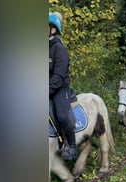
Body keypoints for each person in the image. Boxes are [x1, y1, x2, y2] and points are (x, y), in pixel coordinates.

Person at [49, 12, 76, 160]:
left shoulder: (59, 49)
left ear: (52, 29)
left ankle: (71, 146)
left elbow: (59, 76)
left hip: (60, 89)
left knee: (62, 115)